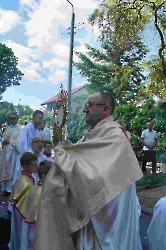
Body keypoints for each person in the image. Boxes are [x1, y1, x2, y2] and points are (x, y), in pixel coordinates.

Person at [34, 92, 143, 250]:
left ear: (105, 109)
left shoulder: (115, 135)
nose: (85, 110)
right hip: (93, 216)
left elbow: (91, 177)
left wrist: (62, 152)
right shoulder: (93, 135)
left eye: (89, 105)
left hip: (106, 222)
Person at [19, 160, 52, 250]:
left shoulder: (34, 188)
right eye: (54, 176)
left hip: (30, 229)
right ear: (44, 176)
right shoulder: (44, 193)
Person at [9, 152, 38, 250]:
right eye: (34, 165)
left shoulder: (26, 177)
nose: (37, 167)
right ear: (25, 166)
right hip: (24, 214)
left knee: (20, 235)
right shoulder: (26, 183)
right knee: (24, 237)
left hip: (20, 212)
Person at [0, 113, 22, 196]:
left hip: (13, 154)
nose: (12, 120)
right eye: (11, 118)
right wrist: (3, 141)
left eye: (14, 118)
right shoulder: (8, 129)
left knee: (11, 171)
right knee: (4, 170)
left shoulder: (20, 129)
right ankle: (4, 188)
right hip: (6, 152)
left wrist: (9, 141)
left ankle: (9, 189)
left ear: (17, 118)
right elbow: (3, 138)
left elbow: (19, 142)